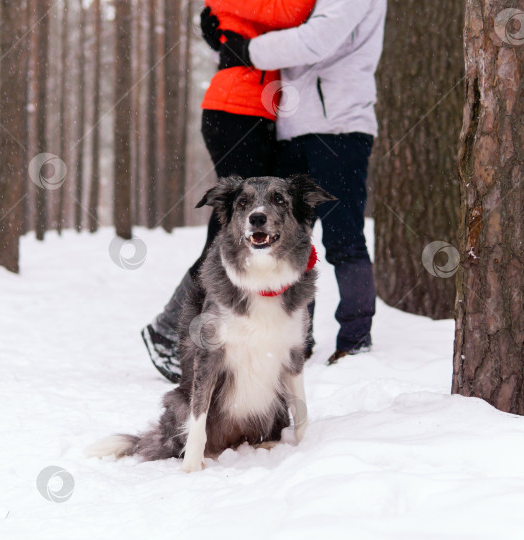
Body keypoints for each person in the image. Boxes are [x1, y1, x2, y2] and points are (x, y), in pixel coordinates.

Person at [141, 0, 316, 383]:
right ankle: (170, 331)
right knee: (228, 236)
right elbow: (292, 13)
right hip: (236, 111)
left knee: (240, 232)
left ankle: (183, 329)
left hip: (257, 112)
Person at [214, 0, 387, 364]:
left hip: (338, 128)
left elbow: (315, 40)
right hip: (294, 127)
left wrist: (246, 50)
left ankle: (356, 340)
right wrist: (221, 25)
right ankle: (299, 338)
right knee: (291, 241)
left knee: (344, 238)